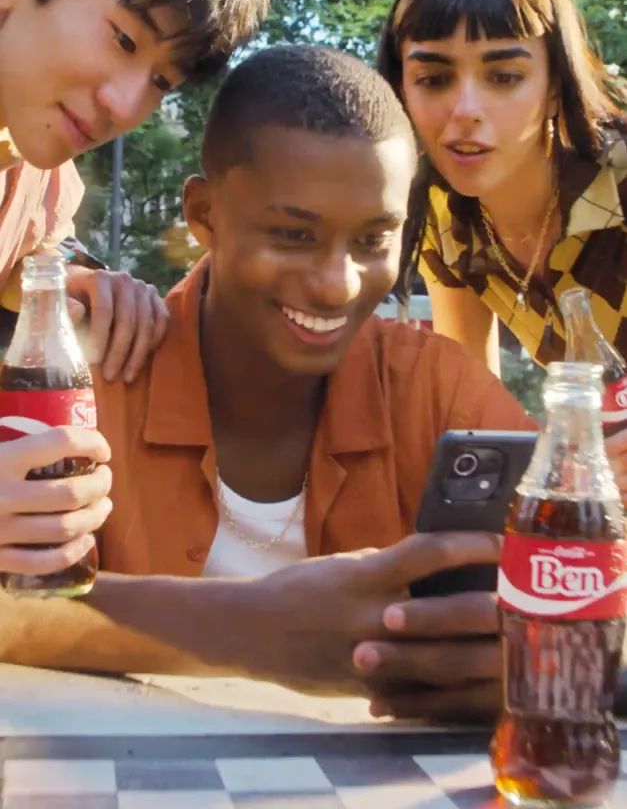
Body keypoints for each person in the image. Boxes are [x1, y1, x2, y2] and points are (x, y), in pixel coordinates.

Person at [0, 45, 538, 723]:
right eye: (292, 234)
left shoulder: (434, 388)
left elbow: (587, 580)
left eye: (374, 241)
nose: (337, 282)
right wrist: (251, 628)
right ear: (204, 216)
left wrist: (528, 657)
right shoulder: (89, 387)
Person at [0, 0, 271, 580]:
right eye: (123, 38)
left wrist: (78, 284)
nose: (126, 103)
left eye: (160, 82)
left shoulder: (42, 179)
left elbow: (35, 253)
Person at [376, 0, 627, 377]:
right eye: (433, 79)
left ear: (555, 86)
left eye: (505, 77)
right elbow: (471, 400)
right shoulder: (442, 214)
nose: (466, 108)